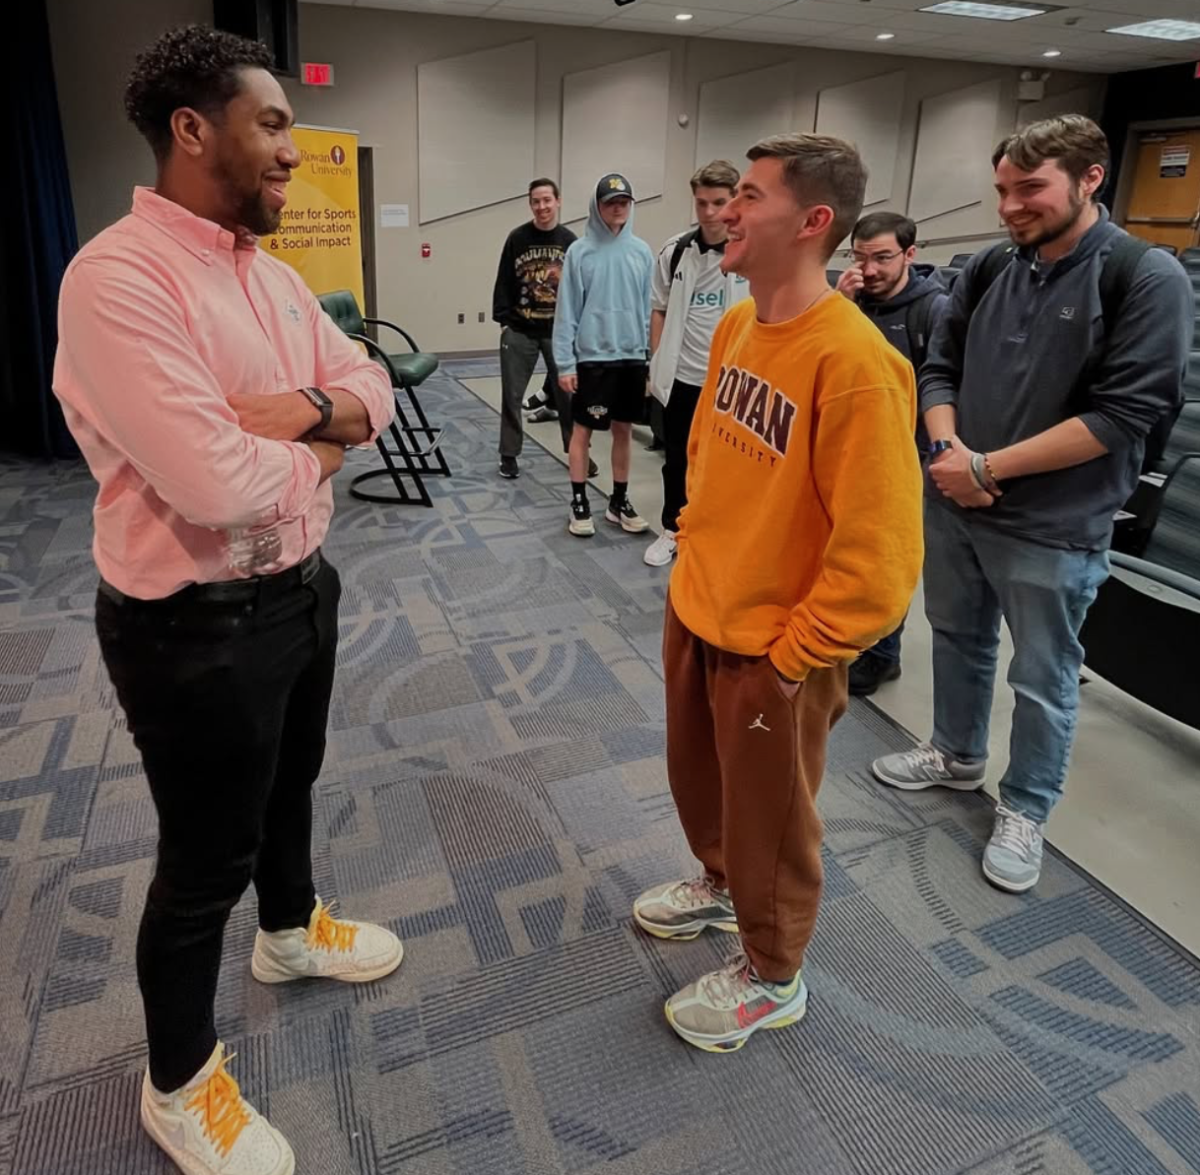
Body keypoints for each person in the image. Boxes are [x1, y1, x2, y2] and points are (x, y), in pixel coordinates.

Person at [52, 26, 403, 1175]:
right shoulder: (117, 280)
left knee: (290, 786)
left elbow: (372, 388)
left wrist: (300, 409)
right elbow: (208, 485)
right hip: (191, 625)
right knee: (205, 858)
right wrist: (325, 438)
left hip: (303, 587)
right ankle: (178, 1082)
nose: (295, 150)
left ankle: (293, 933)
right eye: (275, 122)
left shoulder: (269, 272)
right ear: (192, 131)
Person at [632, 135, 923, 1054]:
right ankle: (720, 886)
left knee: (776, 820)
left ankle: (774, 972)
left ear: (812, 221)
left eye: (747, 197)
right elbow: (714, 466)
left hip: (778, 649)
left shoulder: (858, 364)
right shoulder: (733, 326)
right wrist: (689, 567)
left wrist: (795, 658)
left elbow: (880, 558)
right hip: (703, 608)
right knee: (703, 788)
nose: (723, 210)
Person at [872, 115, 1192, 894]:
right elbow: (938, 368)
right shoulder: (987, 268)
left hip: (1054, 525)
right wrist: (952, 456)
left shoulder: (1144, 278)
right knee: (955, 635)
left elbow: (1124, 415)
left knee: (1044, 674)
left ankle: (1026, 805)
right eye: (1003, 190)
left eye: (1031, 188)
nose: (1012, 205)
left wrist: (987, 466)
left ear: (1091, 179)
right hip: (956, 500)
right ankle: (955, 752)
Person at [835, 211, 949, 694]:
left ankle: (884, 654)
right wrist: (838, 305)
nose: (871, 269)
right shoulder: (851, 301)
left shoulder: (933, 309)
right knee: (848, 548)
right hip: (850, 447)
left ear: (910, 255)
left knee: (888, 555)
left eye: (882, 257)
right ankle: (851, 638)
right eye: (861, 257)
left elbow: (941, 383)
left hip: (906, 454)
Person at [644, 160, 750, 568]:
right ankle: (673, 528)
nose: (710, 212)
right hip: (684, 377)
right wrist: (657, 363)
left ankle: (721, 535)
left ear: (735, 200)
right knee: (678, 460)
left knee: (729, 463)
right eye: (702, 203)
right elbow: (658, 309)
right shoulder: (675, 253)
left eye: (719, 202)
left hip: (733, 383)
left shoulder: (752, 250)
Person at [552, 173, 655, 537]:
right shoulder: (579, 252)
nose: (617, 208)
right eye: (610, 202)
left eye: (623, 202)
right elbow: (567, 312)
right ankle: (579, 501)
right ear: (597, 206)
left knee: (623, 430)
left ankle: (618, 501)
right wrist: (565, 362)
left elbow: (648, 310)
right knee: (583, 432)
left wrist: (648, 360)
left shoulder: (642, 252)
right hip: (592, 360)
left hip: (630, 358)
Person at [493, 178, 577, 479]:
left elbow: (578, 287)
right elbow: (504, 279)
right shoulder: (517, 238)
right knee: (512, 395)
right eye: (536, 201)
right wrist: (504, 320)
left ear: (558, 201)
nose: (542, 206)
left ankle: (577, 454)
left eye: (547, 200)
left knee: (569, 397)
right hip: (520, 329)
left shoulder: (570, 241)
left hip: (559, 332)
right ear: (531, 204)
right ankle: (509, 455)